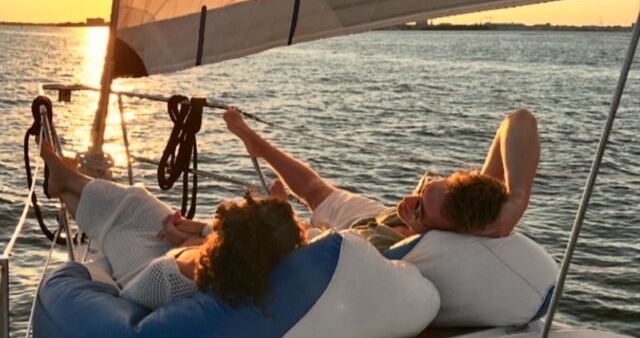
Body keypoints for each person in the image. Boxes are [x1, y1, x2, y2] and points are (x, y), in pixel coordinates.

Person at [213, 107, 540, 252]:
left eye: (420, 210)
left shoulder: (392, 250)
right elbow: (520, 120)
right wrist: (517, 199)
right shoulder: (463, 206)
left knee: (295, 212)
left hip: (361, 234)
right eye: (423, 190)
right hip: (378, 216)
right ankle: (256, 143)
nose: (408, 200)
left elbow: (305, 255)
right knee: (316, 190)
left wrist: (283, 214)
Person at [40, 140, 306, 311]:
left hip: (143, 270)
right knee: (137, 198)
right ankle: (64, 182)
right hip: (171, 253)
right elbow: (216, 240)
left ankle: (60, 178)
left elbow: (165, 270)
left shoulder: (172, 280)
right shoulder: (244, 256)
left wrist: (183, 239)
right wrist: (189, 231)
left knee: (113, 225)